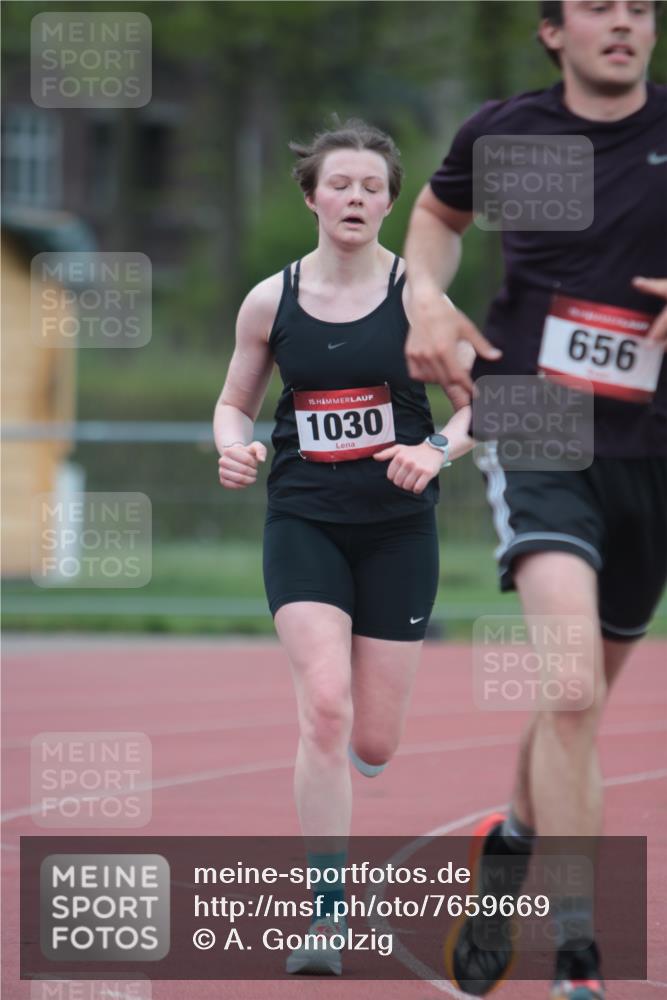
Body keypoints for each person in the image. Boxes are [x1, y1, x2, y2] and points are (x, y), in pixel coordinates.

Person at [403, 3, 667, 999]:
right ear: (553, 31)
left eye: (640, 8)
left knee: (581, 704)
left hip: (652, 442)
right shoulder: (508, 134)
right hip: (538, 420)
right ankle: (578, 952)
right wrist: (425, 298)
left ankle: (509, 847)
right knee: (567, 689)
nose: (623, 23)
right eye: (599, 6)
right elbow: (435, 218)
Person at [214, 119, 473, 976]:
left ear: (391, 203)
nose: (356, 197)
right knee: (322, 707)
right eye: (340, 184)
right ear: (311, 196)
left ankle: (364, 753)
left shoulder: (419, 298)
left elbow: (485, 400)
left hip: (399, 530)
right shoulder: (268, 299)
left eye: (371, 187)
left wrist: (435, 448)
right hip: (304, 521)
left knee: (375, 740)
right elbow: (232, 402)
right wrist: (234, 444)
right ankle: (328, 915)